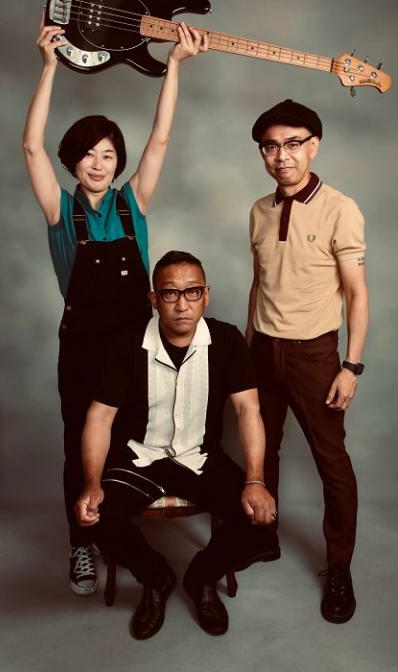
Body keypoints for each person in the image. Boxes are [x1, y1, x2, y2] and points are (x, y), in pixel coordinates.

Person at [22, 15, 208, 596]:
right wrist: (49, 67)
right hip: (82, 347)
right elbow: (30, 146)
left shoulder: (134, 202)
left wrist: (174, 67)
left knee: (133, 442)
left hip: (137, 347)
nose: (99, 163)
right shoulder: (60, 211)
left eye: (108, 154)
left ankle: (119, 535)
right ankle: (81, 544)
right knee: (79, 448)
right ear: (72, 162)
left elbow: (160, 139)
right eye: (88, 154)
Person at [75, 251, 277, 639]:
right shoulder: (126, 344)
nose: (182, 304)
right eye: (170, 293)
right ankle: (156, 578)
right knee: (96, 516)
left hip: (199, 457)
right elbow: (99, 417)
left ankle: (201, 578)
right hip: (141, 457)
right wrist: (92, 482)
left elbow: (248, 410)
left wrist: (255, 480)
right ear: (154, 299)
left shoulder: (227, 340)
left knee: (259, 522)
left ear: (206, 295)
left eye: (192, 292)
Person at [246, 99, 368, 624]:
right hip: (262, 351)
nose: (282, 156)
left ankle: (338, 567)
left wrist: (351, 366)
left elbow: (357, 293)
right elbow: (259, 283)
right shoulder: (259, 210)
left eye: (293, 144)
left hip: (314, 354)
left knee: (331, 462)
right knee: (261, 450)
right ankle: (263, 536)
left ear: (313, 146)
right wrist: (247, 348)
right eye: (271, 147)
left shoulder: (340, 208)